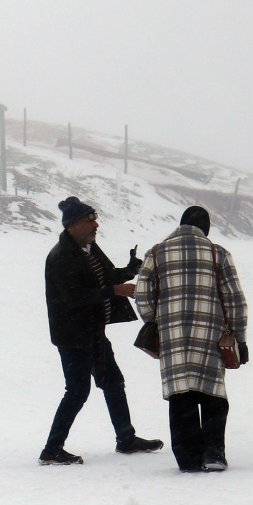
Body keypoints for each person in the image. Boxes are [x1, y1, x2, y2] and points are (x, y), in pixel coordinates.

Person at [40, 196, 161, 465]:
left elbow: (104, 277)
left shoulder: (88, 248)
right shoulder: (61, 256)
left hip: (93, 332)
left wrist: (130, 270)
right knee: (77, 391)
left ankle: (126, 439)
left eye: (94, 219)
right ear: (72, 225)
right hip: (73, 336)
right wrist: (114, 291)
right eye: (89, 220)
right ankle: (51, 449)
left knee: (113, 383)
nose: (96, 225)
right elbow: (74, 297)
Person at [134, 206, 249, 472]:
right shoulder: (218, 253)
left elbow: (142, 293)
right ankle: (214, 454)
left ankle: (187, 458)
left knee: (181, 392)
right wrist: (240, 338)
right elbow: (235, 300)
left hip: (172, 333)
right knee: (212, 393)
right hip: (211, 333)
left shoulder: (156, 252)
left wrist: (156, 320)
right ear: (205, 228)